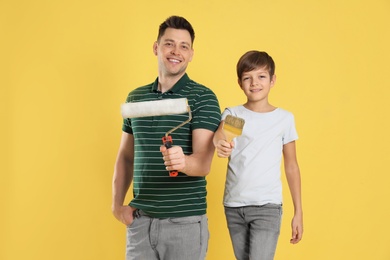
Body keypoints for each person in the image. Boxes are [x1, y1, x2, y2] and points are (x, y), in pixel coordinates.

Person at [111, 16, 221, 260]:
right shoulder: (135, 98)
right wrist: (117, 205)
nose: (176, 52)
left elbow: (203, 163)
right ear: (156, 48)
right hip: (141, 223)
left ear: (191, 53)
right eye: (169, 44)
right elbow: (125, 156)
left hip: (185, 224)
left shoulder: (203, 97)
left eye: (184, 46)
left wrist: (183, 162)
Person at [213, 50, 303, 260]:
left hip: (267, 207)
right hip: (235, 207)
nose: (254, 83)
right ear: (239, 82)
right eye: (247, 78)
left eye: (261, 76)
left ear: (272, 80)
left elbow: (291, 166)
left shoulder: (284, 119)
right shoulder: (236, 115)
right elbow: (222, 136)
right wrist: (220, 145)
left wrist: (298, 211)